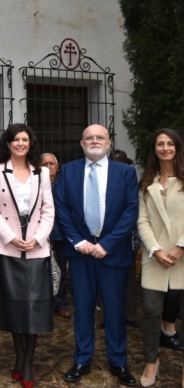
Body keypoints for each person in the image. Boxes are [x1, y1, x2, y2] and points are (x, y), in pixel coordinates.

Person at [55, 124, 139, 386]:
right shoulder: (68, 171)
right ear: (81, 143)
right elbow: (61, 210)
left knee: (114, 310)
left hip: (112, 254)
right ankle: (82, 359)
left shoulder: (125, 172)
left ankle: (118, 362)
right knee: (82, 309)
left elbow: (131, 211)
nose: (94, 141)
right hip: (80, 254)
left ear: (109, 142)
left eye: (99, 137)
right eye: (89, 138)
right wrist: (79, 241)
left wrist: (108, 244)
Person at [0, 124, 54, 388]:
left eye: (25, 140)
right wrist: (11, 238)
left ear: (30, 143)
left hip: (36, 246)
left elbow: (48, 210)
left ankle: (27, 363)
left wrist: (38, 238)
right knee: (14, 304)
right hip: (7, 246)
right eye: (16, 140)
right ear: (9, 144)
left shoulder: (42, 172)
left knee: (33, 305)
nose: (21, 144)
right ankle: (20, 358)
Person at [137, 128, 184, 388]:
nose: (165, 148)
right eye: (159, 144)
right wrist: (155, 250)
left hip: (182, 256)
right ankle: (151, 362)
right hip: (156, 258)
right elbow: (142, 221)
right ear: (154, 149)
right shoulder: (147, 182)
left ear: (177, 147)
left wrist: (180, 248)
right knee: (152, 311)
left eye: (170, 143)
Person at [97, 149, 140, 329]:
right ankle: (106, 317)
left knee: (129, 281)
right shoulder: (100, 182)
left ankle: (129, 314)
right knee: (104, 279)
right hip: (104, 239)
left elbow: (135, 211)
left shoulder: (132, 181)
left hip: (128, 238)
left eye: (123, 162)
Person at [41, 152, 71, 319]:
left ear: (57, 166)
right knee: (40, 271)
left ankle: (60, 304)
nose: (48, 167)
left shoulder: (64, 184)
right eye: (44, 164)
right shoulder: (35, 184)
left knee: (59, 270)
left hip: (59, 235)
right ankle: (43, 304)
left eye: (51, 163)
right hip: (38, 236)